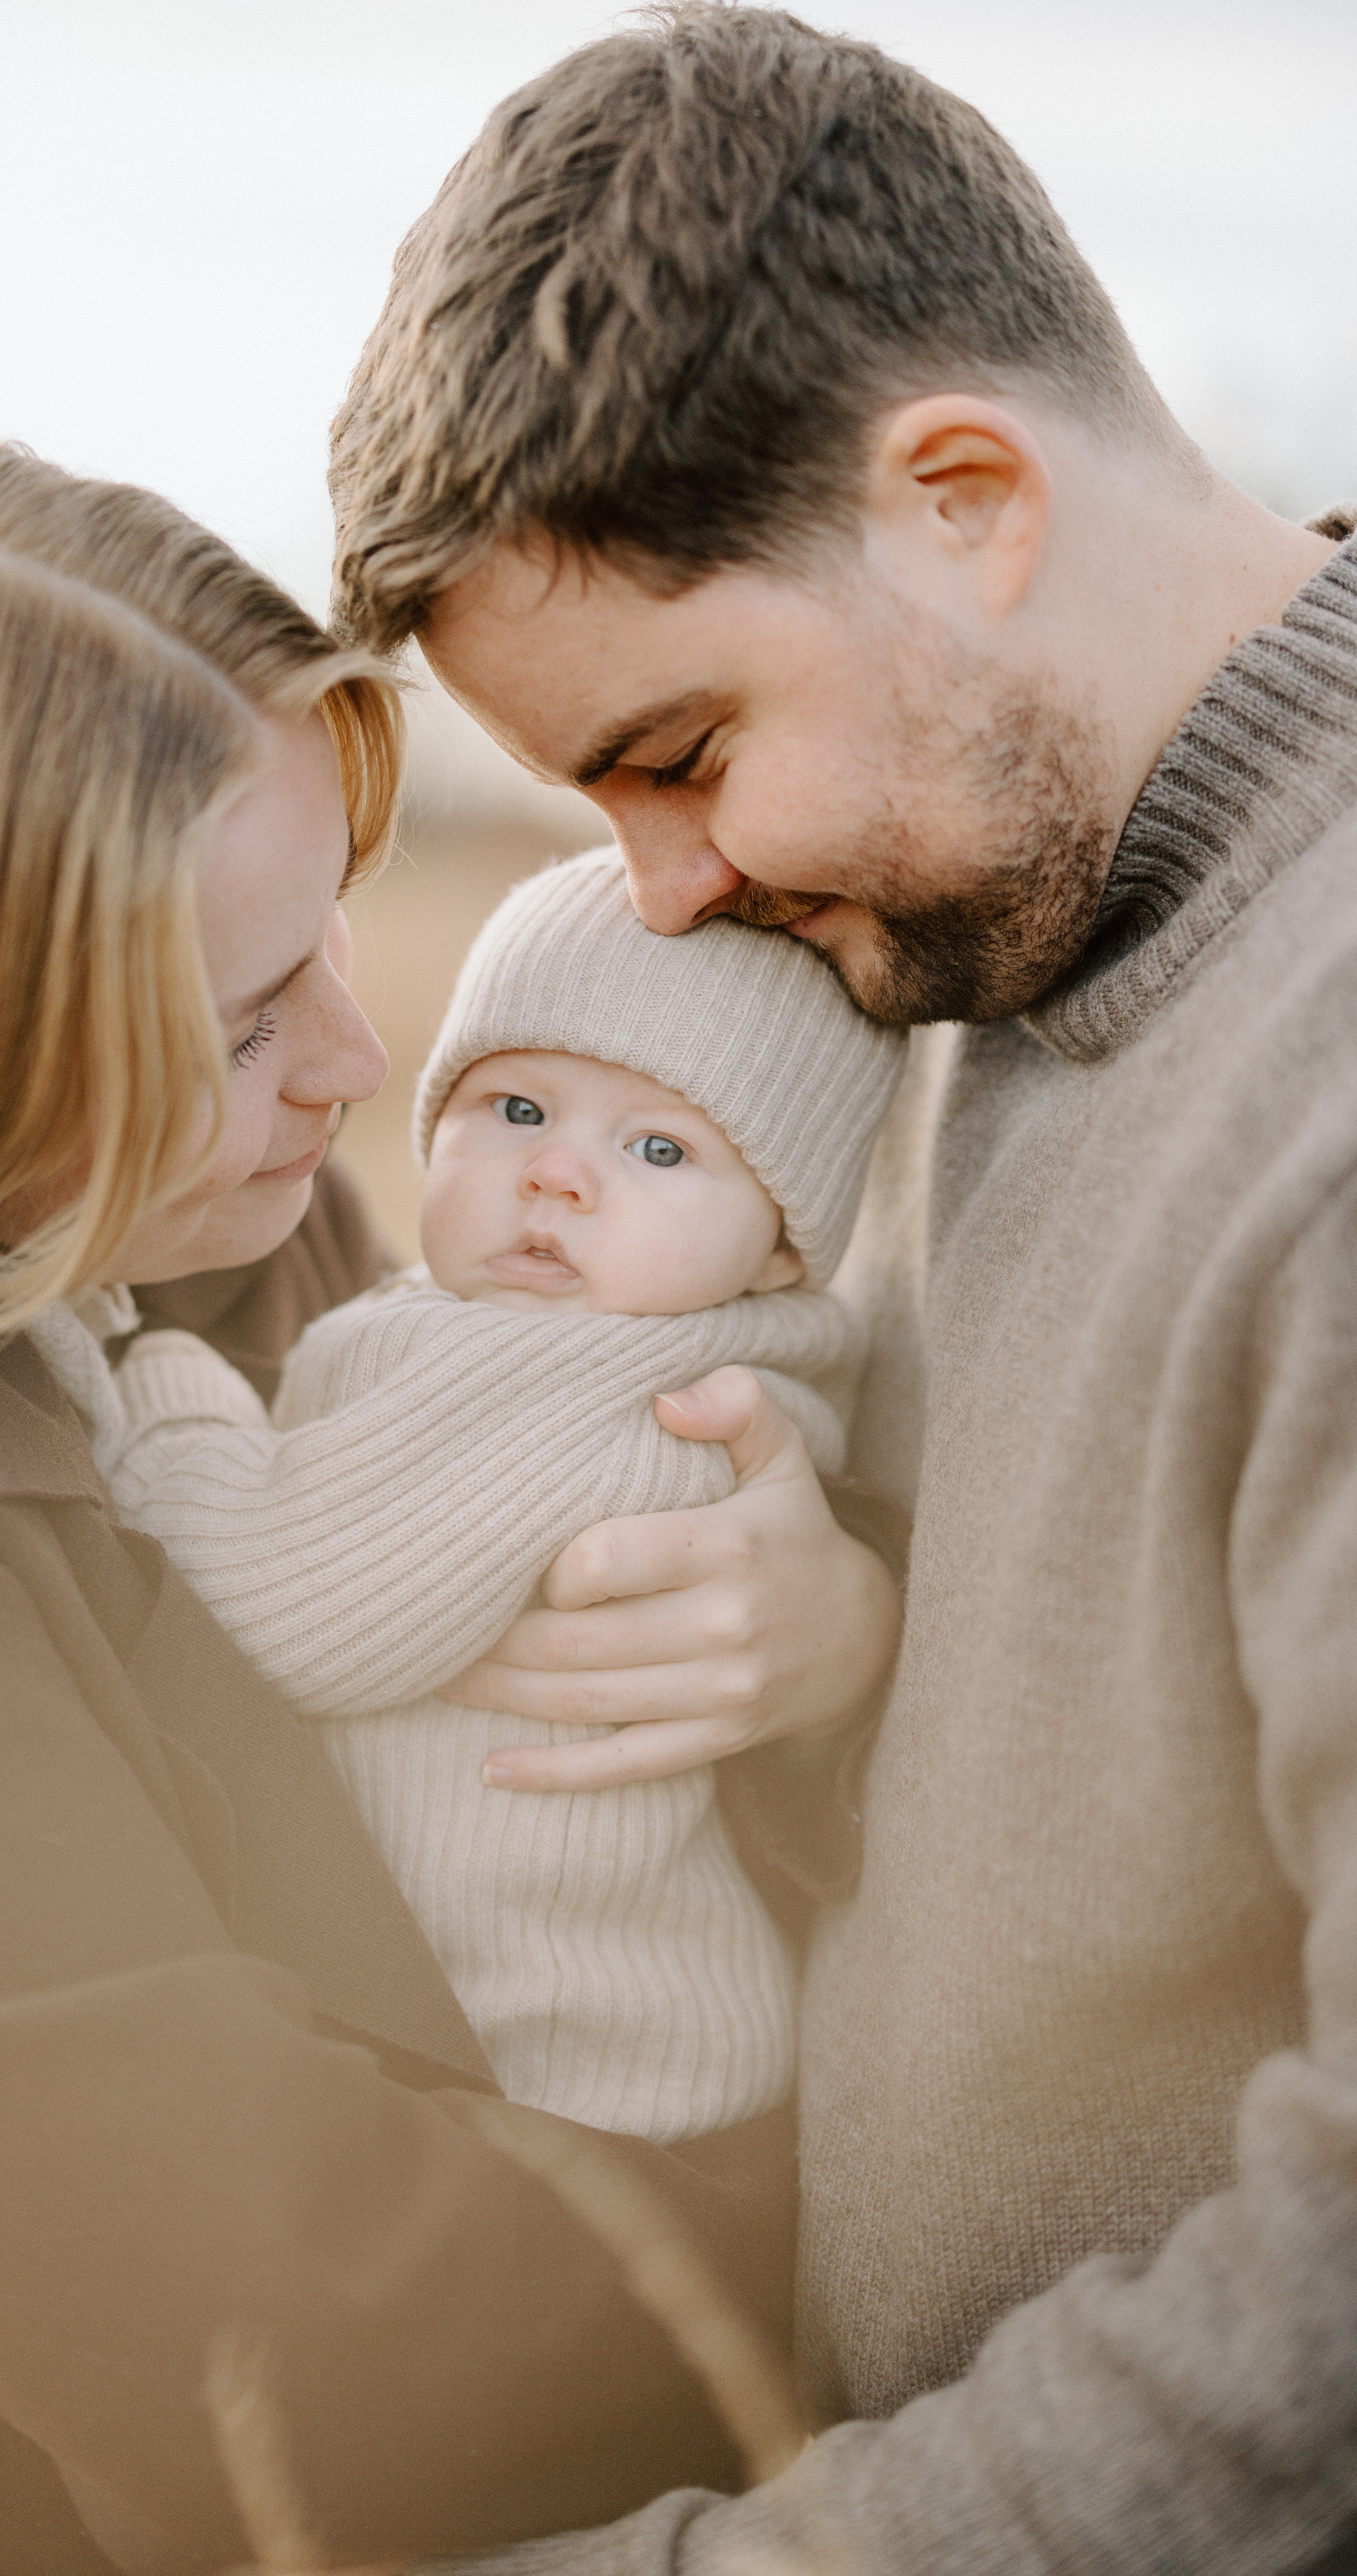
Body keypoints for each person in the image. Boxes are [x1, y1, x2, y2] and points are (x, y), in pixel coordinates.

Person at [0, 426, 898, 2574]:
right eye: (236, 1017)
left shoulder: (202, 1227)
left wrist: (810, 1636)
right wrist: (963, 2224)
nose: (348, 1059)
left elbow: (522, 1762)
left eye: (326, 932)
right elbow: (325, 2339)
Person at [327, 5, 1357, 2570]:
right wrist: (838, 1648)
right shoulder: (972, 953)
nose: (659, 893)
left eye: (676, 752)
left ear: (963, 497)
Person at [29, 848, 902, 2146]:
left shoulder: (609, 1396)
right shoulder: (533, 1327)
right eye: (513, 1107)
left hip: (584, 2082)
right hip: (496, 2042)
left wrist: (159, 1378)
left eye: (659, 1145)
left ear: (778, 1246)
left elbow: (275, 1603)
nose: (558, 1174)